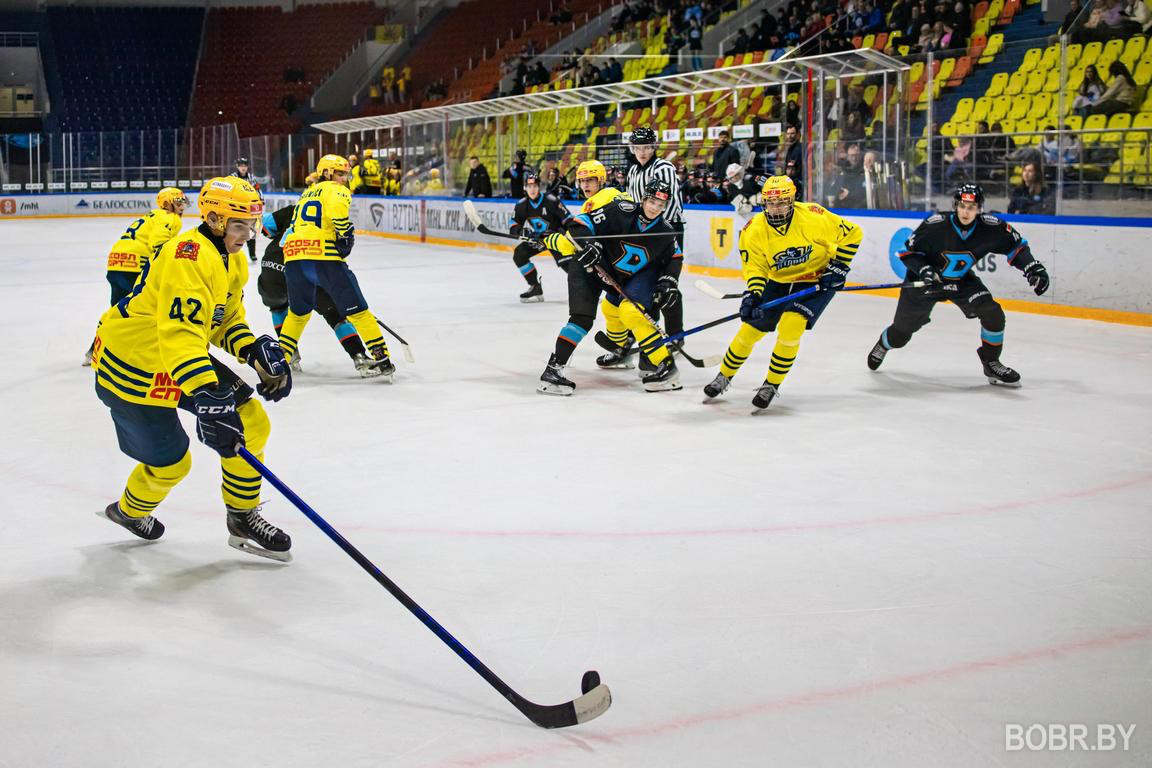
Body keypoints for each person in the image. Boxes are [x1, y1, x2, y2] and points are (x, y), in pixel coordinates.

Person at [91, 177, 294, 561]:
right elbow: (180, 333)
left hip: (178, 357)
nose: (247, 234)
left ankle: (242, 517)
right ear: (215, 219)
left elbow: (222, 319)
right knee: (171, 464)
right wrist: (206, 394)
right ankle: (129, 512)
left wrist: (252, 350)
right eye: (239, 225)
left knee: (252, 422)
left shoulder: (231, 258)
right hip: (133, 363)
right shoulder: (187, 254)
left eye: (251, 225)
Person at [702, 176, 862, 411]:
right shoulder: (754, 229)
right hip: (777, 281)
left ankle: (771, 384)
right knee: (750, 329)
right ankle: (724, 376)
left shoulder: (813, 217)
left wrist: (839, 267)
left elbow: (853, 234)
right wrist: (753, 294)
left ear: (792, 200)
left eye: (781, 203)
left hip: (816, 280)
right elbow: (755, 268)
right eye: (770, 203)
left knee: (791, 326)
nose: (775, 209)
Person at [866, 183, 1051, 386]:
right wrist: (925, 270)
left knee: (992, 313)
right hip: (926, 282)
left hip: (961, 281)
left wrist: (1033, 268)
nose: (966, 212)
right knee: (901, 333)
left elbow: (1017, 248)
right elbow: (907, 252)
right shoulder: (936, 225)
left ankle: (991, 362)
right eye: (962, 206)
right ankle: (884, 344)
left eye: (971, 208)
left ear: (979, 208)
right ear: (956, 205)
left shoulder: (991, 228)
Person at [537, 179, 684, 395]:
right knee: (581, 318)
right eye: (652, 201)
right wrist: (590, 243)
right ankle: (553, 370)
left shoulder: (665, 231)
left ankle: (660, 363)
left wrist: (669, 281)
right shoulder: (620, 210)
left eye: (660, 205)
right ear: (644, 198)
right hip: (589, 266)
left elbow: (675, 257)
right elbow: (580, 223)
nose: (655, 208)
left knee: (632, 312)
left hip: (622, 279)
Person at [278, 155, 397, 381]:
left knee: (297, 314)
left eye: (345, 175)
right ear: (327, 173)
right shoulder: (336, 190)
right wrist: (345, 233)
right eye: (340, 174)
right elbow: (338, 214)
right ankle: (382, 359)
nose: (343, 179)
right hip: (323, 259)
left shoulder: (305, 194)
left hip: (293, 259)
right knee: (359, 311)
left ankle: (280, 361)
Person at [257, 198, 375, 376]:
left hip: (271, 265)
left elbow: (266, 227)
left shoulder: (295, 209)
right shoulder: (332, 218)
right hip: (304, 268)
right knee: (334, 314)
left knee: (278, 306)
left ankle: (289, 354)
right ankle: (359, 356)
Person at [83, 187, 189, 365]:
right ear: (167, 203)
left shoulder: (150, 216)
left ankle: (95, 351)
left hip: (116, 262)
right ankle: (148, 353)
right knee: (151, 309)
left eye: (181, 201)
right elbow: (159, 242)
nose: (181, 206)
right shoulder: (169, 218)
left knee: (117, 311)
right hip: (135, 265)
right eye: (177, 201)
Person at [625, 125, 687, 342]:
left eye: (647, 147)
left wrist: (656, 231)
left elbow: (667, 205)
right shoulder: (633, 171)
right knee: (646, 282)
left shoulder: (664, 168)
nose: (642, 151)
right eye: (638, 147)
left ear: (654, 147)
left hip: (667, 231)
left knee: (667, 283)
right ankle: (647, 330)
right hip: (644, 233)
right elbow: (633, 204)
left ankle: (675, 334)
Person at [508, 172, 572, 302]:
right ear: (525, 188)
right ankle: (535, 286)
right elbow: (513, 224)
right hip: (539, 239)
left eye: (535, 186)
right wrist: (520, 231)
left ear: (539, 187)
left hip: (556, 239)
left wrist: (568, 233)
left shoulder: (551, 200)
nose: (532, 189)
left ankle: (588, 288)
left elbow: (568, 219)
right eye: (529, 186)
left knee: (568, 265)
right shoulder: (521, 205)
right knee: (519, 254)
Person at [231, 157, 261, 262]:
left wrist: (260, 200)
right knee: (234, 230)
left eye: (245, 166)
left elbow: (257, 190)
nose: (243, 168)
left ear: (247, 167)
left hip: (249, 209)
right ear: (237, 166)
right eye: (241, 166)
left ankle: (252, 254)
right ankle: (231, 252)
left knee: (251, 231)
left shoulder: (251, 177)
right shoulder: (233, 177)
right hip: (236, 208)